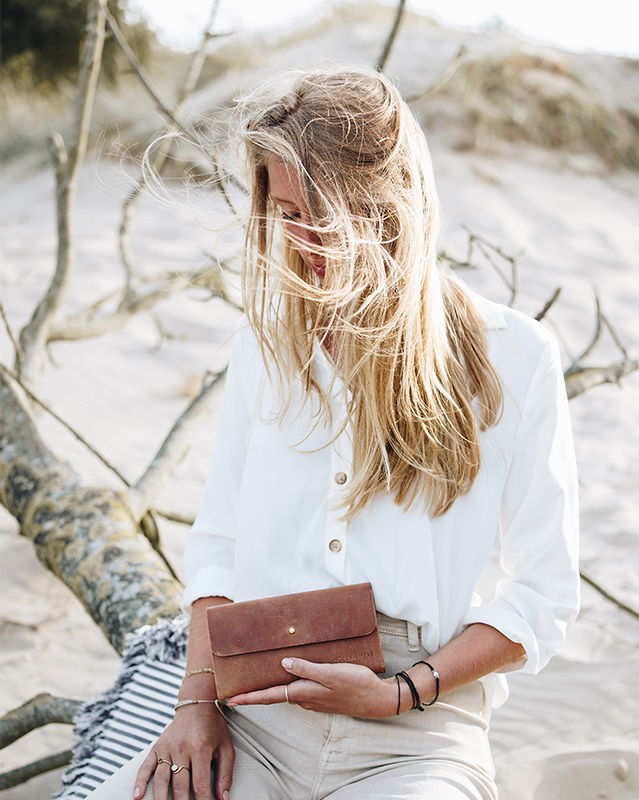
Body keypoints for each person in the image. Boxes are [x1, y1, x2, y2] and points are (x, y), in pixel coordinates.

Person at [86, 65, 580, 800]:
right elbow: (218, 545)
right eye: (284, 214)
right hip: (254, 711)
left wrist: (398, 693)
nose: (301, 240)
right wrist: (195, 706)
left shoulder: (513, 356)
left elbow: (542, 593)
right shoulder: (264, 348)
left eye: (321, 214)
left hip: (417, 735)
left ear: (389, 206)